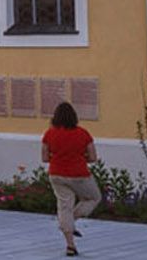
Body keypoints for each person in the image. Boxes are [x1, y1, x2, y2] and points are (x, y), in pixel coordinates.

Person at [41, 101, 99, 257]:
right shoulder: (83, 133)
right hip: (79, 174)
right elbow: (93, 157)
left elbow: (45, 158)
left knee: (64, 206)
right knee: (93, 198)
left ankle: (70, 245)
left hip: (57, 174)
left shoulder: (49, 134)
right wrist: (79, 158)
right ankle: (70, 220)